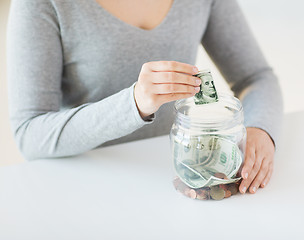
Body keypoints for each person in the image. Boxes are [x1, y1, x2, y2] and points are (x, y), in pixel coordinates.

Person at [7, 0, 283, 194]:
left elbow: (257, 77)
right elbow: (29, 133)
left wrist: (260, 128)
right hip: (85, 187)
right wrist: (134, 104)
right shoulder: (40, 3)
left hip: (174, 183)